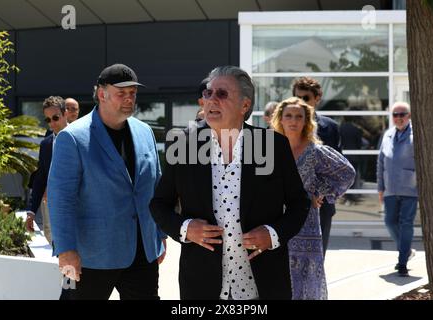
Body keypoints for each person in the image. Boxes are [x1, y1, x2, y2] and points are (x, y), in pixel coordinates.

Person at [150, 66, 310, 300]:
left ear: (245, 106)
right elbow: (159, 204)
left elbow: (299, 203)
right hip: (201, 286)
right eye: (208, 93)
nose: (211, 99)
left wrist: (274, 234)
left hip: (264, 284)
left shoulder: (273, 146)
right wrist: (185, 229)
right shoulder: (183, 145)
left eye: (222, 94)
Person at [48, 63, 166, 300]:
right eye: (121, 93)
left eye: (132, 93)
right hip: (92, 256)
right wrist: (66, 250)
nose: (129, 98)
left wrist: (159, 234)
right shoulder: (72, 138)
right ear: (101, 94)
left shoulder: (145, 132)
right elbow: (61, 198)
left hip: (142, 252)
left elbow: (156, 186)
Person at [271, 97, 355, 299]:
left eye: (299, 116)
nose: (293, 121)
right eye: (288, 116)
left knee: (306, 280)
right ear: (280, 119)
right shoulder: (269, 150)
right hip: (275, 222)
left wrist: (320, 192)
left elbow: (347, 173)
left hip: (306, 226)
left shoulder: (315, 152)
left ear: (306, 121)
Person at [292, 77, 341, 255]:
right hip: (292, 202)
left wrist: (320, 192)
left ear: (317, 98)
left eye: (306, 98)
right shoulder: (286, 125)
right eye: (297, 98)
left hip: (322, 203)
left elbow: (336, 167)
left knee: (319, 255)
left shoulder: (330, 127)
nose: (301, 102)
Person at [377, 102, 418, 277]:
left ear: (409, 116)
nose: (399, 117)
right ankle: (406, 250)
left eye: (402, 114)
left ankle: (402, 263)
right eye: (395, 114)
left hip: (410, 188)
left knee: (406, 224)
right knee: (389, 222)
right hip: (390, 189)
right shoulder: (387, 135)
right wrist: (380, 187)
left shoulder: (416, 135)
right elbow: (380, 162)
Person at [25, 96, 68, 243]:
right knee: (53, 242)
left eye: (55, 118)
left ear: (65, 114)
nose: (52, 123)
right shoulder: (46, 144)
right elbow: (40, 178)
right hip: (52, 205)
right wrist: (31, 212)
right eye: (48, 120)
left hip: (78, 207)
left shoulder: (82, 139)